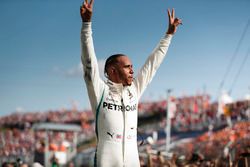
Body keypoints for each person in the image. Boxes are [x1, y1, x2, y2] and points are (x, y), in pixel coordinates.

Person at [80, 0, 182, 166]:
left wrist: (168, 36)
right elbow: (88, 62)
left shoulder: (134, 90)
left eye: (132, 67)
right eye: (127, 67)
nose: (132, 71)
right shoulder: (100, 91)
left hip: (132, 157)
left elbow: (152, 64)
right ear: (112, 71)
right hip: (106, 159)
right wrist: (86, 25)